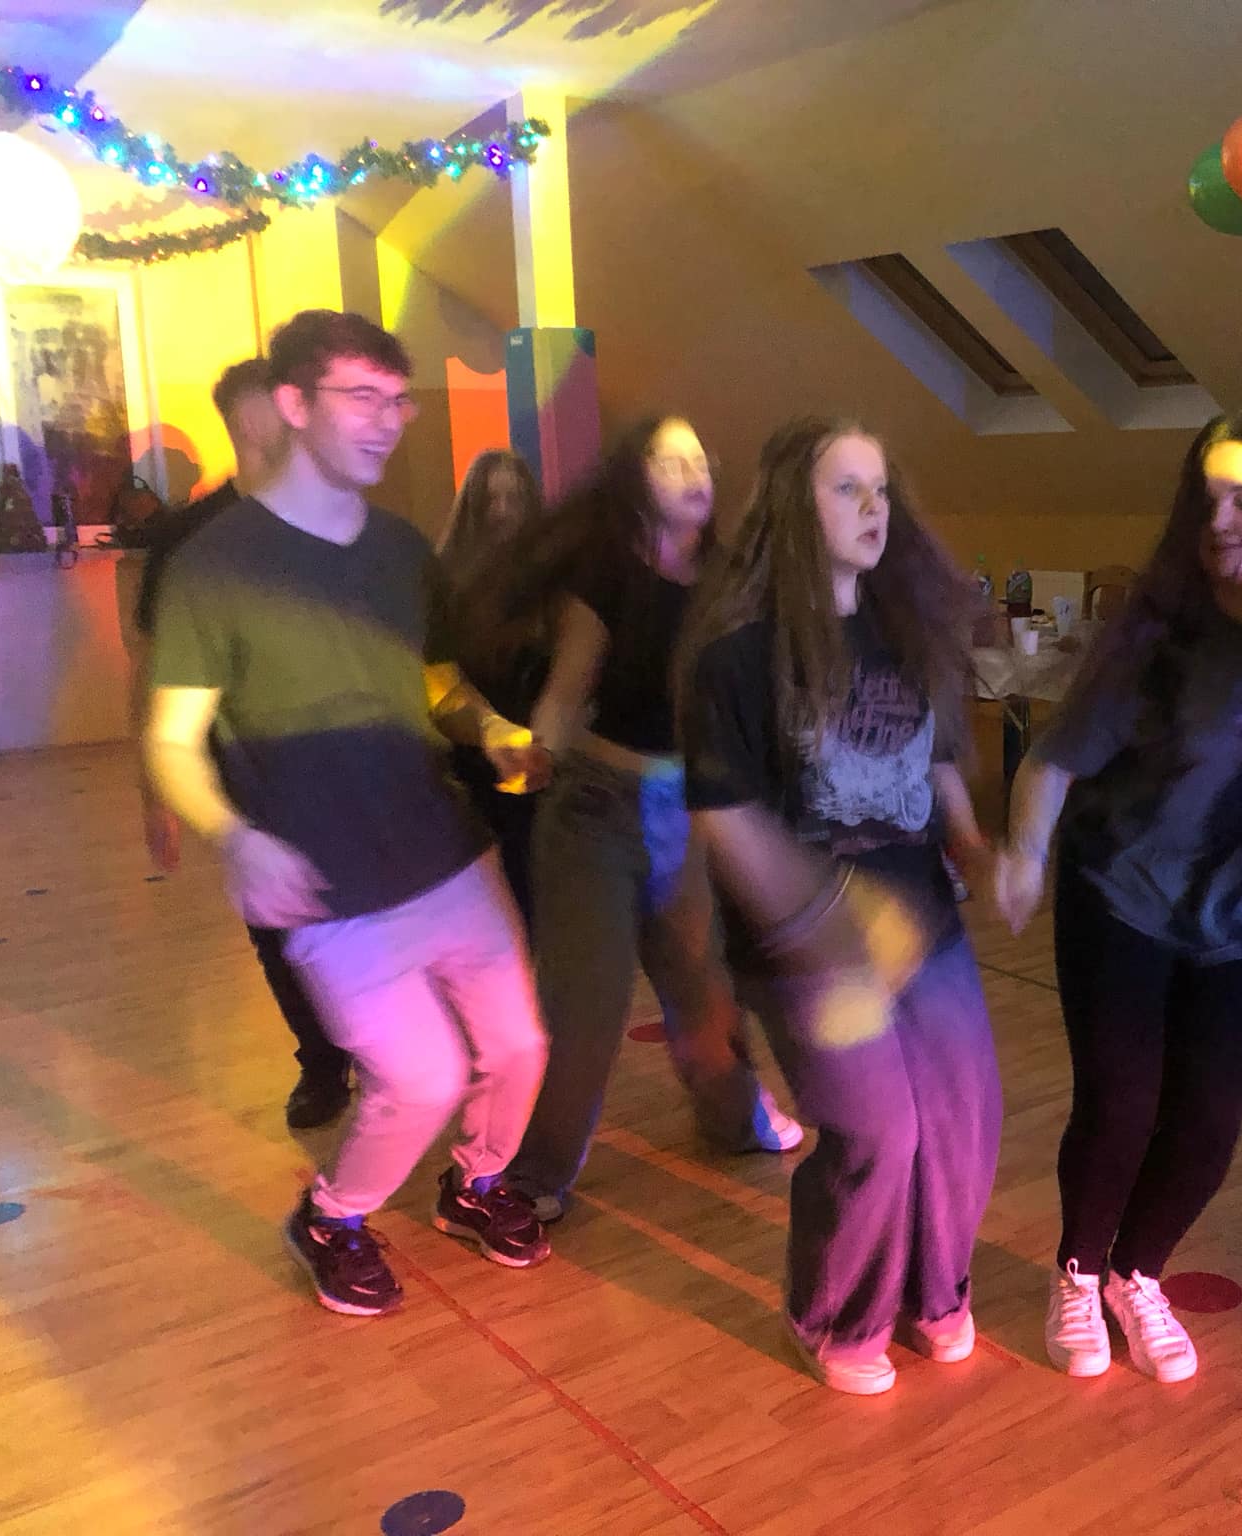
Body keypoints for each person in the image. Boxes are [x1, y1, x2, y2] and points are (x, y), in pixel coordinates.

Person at [144, 310, 555, 1317]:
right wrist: (234, 836)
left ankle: (476, 1183)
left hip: (445, 852)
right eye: (362, 398)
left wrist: (492, 727)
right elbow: (171, 739)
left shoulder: (403, 551)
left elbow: (435, 684)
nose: (388, 421)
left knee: (518, 1048)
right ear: (294, 403)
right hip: (324, 879)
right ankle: (331, 1216)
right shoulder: (214, 566)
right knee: (422, 1078)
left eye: (397, 400)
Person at [996, 407, 1242, 1385]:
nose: (1220, 521)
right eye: (1206, 500)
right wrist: (1024, 853)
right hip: (1120, 894)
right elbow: (1053, 758)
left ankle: (1136, 1272)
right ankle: (1078, 1271)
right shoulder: (1159, 627)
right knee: (1122, 1104)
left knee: (1209, 1125)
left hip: (1241, 918)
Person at [681, 416, 999, 1396]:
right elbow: (724, 821)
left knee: (964, 1115)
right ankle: (830, 1314)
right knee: (877, 1132)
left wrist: (975, 850)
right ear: (793, 506)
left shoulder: (908, 635)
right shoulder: (736, 660)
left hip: (921, 922)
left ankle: (934, 1292)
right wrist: (823, 921)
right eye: (847, 488)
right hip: (807, 948)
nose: (874, 508)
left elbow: (935, 763)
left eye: (880, 488)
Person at [501, 417, 804, 1226]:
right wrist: (537, 749)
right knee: (587, 1008)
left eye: (700, 458)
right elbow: (567, 689)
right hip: (594, 808)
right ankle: (537, 1171)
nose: (694, 472)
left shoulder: (731, 577)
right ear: (636, 479)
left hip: (689, 811)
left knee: (706, 989)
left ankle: (735, 1120)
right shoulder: (606, 573)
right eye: (672, 462)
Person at [124, 358, 352, 1130]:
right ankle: (322, 1060)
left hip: (335, 753)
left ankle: (367, 1044)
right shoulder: (187, 539)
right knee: (275, 918)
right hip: (240, 764)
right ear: (244, 427)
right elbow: (151, 668)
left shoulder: (333, 517)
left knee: (352, 905)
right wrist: (153, 790)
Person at [436, 448, 552, 928]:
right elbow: (442, 676)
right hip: (476, 752)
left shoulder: (552, 578)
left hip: (543, 747)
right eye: (491, 500)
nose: (502, 511)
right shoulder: (446, 580)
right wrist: (487, 724)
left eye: (513, 498)